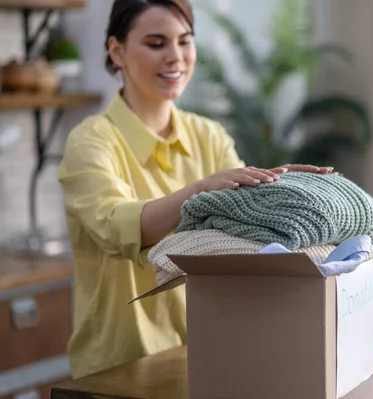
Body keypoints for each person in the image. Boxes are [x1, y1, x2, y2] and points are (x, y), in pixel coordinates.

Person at [57, 0, 332, 379]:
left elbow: (239, 229)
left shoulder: (209, 135)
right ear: (116, 51)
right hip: (118, 370)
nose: (175, 57)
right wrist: (202, 190)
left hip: (209, 355)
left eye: (185, 42)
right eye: (156, 44)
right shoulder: (90, 142)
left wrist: (276, 192)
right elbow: (116, 228)